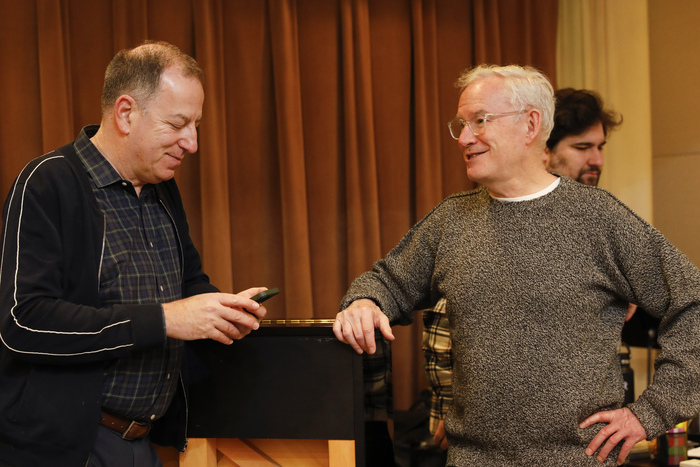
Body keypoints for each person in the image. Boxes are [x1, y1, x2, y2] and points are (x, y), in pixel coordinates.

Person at [333, 64, 700, 466]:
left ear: (530, 124)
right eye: (462, 124)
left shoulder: (600, 219)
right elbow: (387, 283)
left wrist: (650, 412)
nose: (465, 137)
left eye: (480, 121)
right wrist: (365, 301)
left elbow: (693, 303)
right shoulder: (450, 221)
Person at [0, 41, 269, 467]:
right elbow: (24, 322)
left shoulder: (163, 189)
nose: (193, 143)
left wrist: (222, 308)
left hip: (142, 444)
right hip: (65, 449)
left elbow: (188, 283)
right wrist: (165, 319)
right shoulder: (47, 184)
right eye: (178, 124)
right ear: (126, 113)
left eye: (196, 124)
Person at [423, 87, 627, 452]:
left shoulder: (602, 219)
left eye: (601, 147)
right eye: (582, 148)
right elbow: (448, 331)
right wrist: (456, 416)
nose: (596, 159)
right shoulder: (473, 223)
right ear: (542, 147)